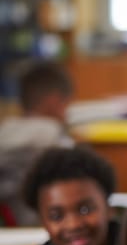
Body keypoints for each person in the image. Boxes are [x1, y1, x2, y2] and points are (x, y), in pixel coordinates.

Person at [10, 146, 120, 245]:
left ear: (109, 207)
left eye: (85, 209)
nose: (74, 225)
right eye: (56, 216)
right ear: (42, 221)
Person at [0, 60, 75, 226]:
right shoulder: (54, 138)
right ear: (54, 101)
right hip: (46, 226)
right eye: (66, 104)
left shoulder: (5, 130)